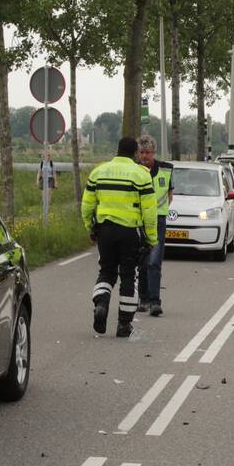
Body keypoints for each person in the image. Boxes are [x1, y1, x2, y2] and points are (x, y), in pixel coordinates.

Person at [81, 137, 158, 338]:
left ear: (117, 150)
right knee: (128, 275)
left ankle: (101, 303)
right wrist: (151, 239)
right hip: (129, 232)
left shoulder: (99, 171)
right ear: (135, 153)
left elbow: (87, 205)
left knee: (106, 271)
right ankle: (124, 324)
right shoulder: (141, 175)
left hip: (105, 230)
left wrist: (91, 228)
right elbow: (149, 212)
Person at [135, 134, 174, 317]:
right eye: (142, 152)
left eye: (148, 153)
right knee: (142, 261)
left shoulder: (166, 169)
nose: (144, 156)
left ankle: (154, 301)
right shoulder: (133, 170)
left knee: (154, 261)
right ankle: (142, 298)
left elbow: (170, 194)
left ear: (154, 153)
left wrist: (159, 210)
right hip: (138, 220)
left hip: (158, 220)